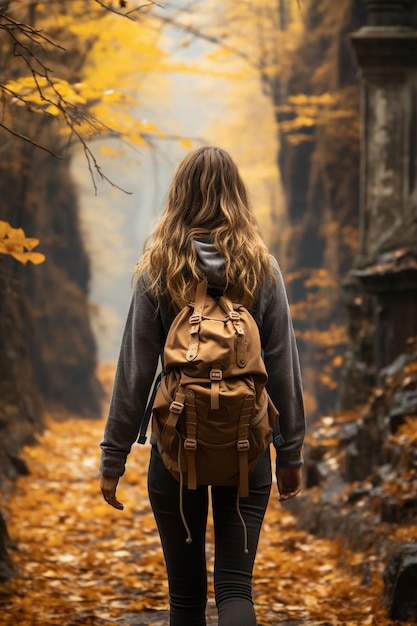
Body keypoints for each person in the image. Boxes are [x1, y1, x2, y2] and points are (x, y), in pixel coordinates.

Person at [100, 145, 306, 626]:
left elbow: (134, 370)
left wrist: (114, 457)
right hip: (247, 445)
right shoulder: (261, 267)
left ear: (179, 195)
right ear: (237, 194)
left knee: (187, 598)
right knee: (236, 588)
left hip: (175, 446)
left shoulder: (160, 266)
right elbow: (282, 365)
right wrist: (291, 454)